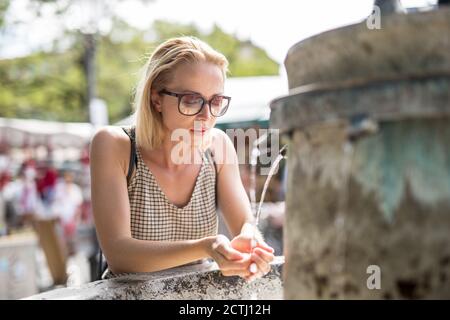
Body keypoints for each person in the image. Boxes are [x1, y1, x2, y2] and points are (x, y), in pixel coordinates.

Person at [90, 36, 274, 282]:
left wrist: (251, 242)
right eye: (191, 100)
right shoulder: (115, 145)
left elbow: (245, 223)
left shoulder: (218, 146)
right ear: (156, 98)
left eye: (216, 101)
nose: (206, 116)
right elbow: (119, 255)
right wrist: (206, 247)